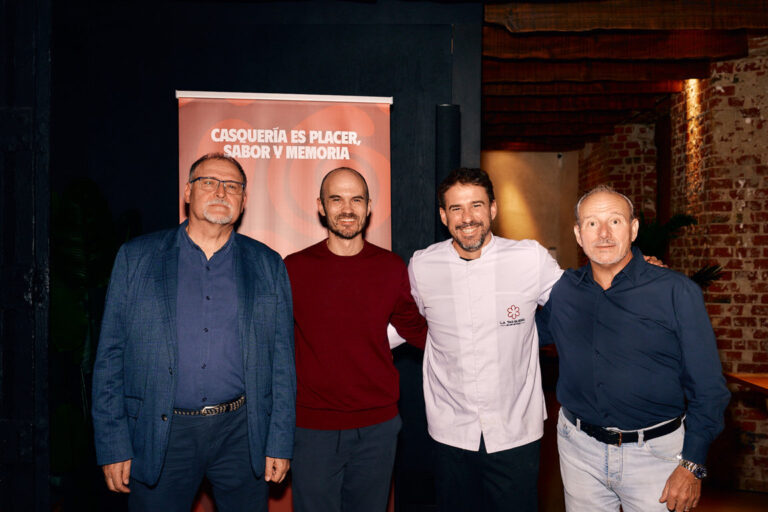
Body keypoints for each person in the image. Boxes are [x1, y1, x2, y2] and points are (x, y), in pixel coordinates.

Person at [91, 153, 296, 511]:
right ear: (187, 192)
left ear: (244, 200)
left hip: (241, 432)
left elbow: (282, 361)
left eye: (233, 186)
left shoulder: (268, 265)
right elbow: (110, 356)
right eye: (209, 182)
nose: (221, 191)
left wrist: (278, 441)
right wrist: (113, 444)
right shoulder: (136, 258)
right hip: (162, 431)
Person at [536, 185, 730, 512]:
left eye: (615, 221)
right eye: (592, 224)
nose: (604, 233)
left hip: (657, 457)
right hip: (578, 451)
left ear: (634, 228)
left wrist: (692, 465)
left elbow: (709, 389)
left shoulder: (676, 292)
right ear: (578, 234)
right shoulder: (564, 291)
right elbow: (518, 337)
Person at [407, 167, 562, 511]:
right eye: (456, 209)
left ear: (492, 209)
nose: (467, 218)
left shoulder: (529, 257)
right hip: (450, 432)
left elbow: (576, 304)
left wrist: (631, 274)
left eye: (476, 206)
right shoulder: (422, 265)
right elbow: (400, 324)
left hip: (515, 430)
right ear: (443, 216)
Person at [284, 167, 427, 512]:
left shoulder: (391, 267)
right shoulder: (293, 268)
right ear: (321, 206)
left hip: (377, 429)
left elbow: (419, 331)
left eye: (356, 199)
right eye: (336, 199)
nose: (347, 208)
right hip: (312, 428)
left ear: (368, 207)